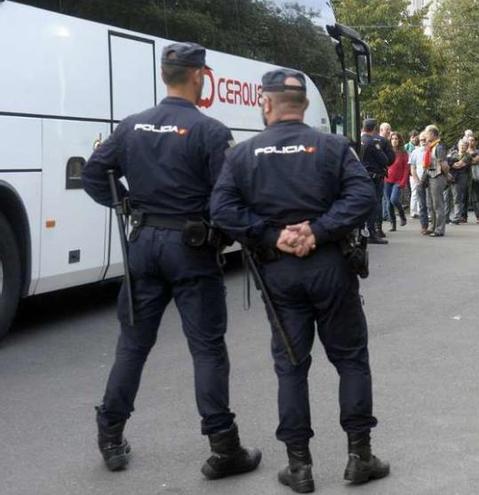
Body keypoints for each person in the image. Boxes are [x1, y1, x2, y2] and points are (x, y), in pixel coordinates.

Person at [81, 42, 260, 478]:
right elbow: (227, 200)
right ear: (199, 75)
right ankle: (223, 447)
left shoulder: (130, 126)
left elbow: (90, 175)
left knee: (134, 343)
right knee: (207, 348)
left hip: (143, 242)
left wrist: (127, 205)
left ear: (166, 75)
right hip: (192, 249)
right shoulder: (211, 131)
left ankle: (110, 434)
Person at [210, 68, 389, 492]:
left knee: (291, 368)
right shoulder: (331, 146)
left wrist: (274, 235)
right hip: (331, 266)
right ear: (305, 105)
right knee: (350, 360)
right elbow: (363, 196)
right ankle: (359, 457)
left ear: (265, 104)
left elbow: (222, 210)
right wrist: (320, 230)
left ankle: (300, 467)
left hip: (279, 272)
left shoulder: (243, 154)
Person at [360, 119, 395, 244]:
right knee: (374, 205)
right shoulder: (372, 142)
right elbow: (385, 160)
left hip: (361, 177)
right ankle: (371, 233)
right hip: (373, 178)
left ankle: (362, 231)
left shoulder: (358, 140)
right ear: (374, 128)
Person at [421, 124, 448, 237]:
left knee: (438, 204)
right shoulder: (431, 146)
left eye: (427, 133)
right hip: (431, 176)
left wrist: (446, 176)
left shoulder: (439, 147)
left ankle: (439, 229)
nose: (425, 136)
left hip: (437, 176)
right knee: (431, 204)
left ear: (432, 134)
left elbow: (443, 164)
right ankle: (433, 226)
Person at [384, 132, 410, 232]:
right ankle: (393, 223)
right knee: (388, 204)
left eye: (396, 139)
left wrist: (403, 181)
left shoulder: (403, 153)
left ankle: (402, 215)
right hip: (387, 180)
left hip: (398, 181)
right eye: (392, 139)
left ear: (399, 140)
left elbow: (406, 169)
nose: (394, 140)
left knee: (394, 199)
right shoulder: (387, 151)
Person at [409, 132, 431, 233]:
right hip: (419, 181)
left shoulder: (433, 151)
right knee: (422, 204)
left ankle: (434, 225)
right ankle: (424, 226)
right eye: (421, 140)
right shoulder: (415, 152)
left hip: (432, 180)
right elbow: (412, 168)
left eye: (425, 140)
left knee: (432, 204)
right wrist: (417, 181)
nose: (423, 142)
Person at [449, 139, 473, 224]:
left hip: (461, 178)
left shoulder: (468, 156)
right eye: (461, 145)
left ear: (467, 147)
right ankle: (446, 217)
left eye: (464, 145)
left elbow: (459, 165)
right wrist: (451, 164)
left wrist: (451, 164)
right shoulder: (453, 153)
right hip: (450, 177)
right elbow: (447, 162)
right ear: (458, 145)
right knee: (447, 197)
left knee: (457, 198)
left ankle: (457, 217)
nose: (462, 146)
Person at [467, 136, 479, 224]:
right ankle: (462, 216)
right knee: (463, 198)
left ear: (476, 142)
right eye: (469, 140)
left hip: (476, 178)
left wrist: (465, 160)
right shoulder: (463, 150)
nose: (470, 142)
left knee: (476, 198)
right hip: (465, 177)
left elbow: (476, 161)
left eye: (472, 140)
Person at [407, 130, 422, 219]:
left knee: (417, 192)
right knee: (415, 192)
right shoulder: (408, 147)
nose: (414, 139)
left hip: (418, 172)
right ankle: (414, 211)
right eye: (413, 137)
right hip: (413, 173)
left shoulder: (420, 149)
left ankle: (418, 210)